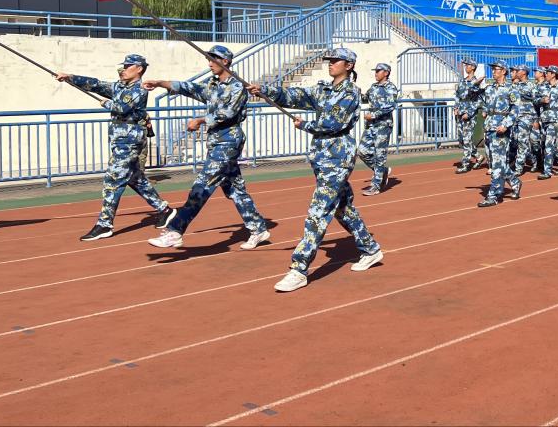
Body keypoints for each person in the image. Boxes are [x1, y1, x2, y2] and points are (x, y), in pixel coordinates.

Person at [250, 48, 383, 293]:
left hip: (338, 159)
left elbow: (334, 123)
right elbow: (295, 96)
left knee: (318, 212)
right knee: (343, 209)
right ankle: (370, 249)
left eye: (335, 61)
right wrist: (266, 91)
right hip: (322, 158)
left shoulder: (351, 93)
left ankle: (299, 268)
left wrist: (305, 125)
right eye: (329, 60)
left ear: (349, 65)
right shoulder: (323, 89)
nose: (330, 64)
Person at [145, 45, 270, 250]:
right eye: (209, 59)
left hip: (228, 141)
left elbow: (227, 113)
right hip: (216, 141)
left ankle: (175, 230)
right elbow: (189, 88)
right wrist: (160, 83)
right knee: (235, 189)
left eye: (213, 59)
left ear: (225, 61)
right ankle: (258, 228)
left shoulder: (237, 87)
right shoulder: (212, 84)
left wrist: (201, 120)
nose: (210, 63)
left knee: (202, 185)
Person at [57, 54, 175, 241]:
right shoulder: (120, 87)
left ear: (139, 69)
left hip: (129, 140)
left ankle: (104, 224)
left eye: (128, 66)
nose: (123, 69)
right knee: (135, 179)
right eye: (123, 66)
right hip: (119, 140)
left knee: (112, 180)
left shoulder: (140, 89)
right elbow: (96, 84)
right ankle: (164, 209)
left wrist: (107, 103)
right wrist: (70, 78)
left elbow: (121, 108)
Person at [474, 60, 521, 207]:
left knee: (497, 164)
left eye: (496, 69)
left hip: (501, 129)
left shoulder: (511, 89)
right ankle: (514, 181)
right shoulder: (490, 88)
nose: (493, 71)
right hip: (489, 128)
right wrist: (485, 110)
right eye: (493, 69)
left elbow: (515, 109)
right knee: (496, 162)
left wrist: (506, 125)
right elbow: (479, 99)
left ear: (504, 71)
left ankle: (494, 195)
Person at [358, 62, 400, 195]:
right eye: (375, 71)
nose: (375, 73)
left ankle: (376, 186)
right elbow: (365, 98)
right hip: (371, 126)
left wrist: (374, 115)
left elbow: (390, 106)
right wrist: (355, 92)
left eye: (378, 71)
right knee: (362, 151)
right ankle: (383, 171)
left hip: (383, 125)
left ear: (386, 73)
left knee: (379, 155)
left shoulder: (391, 88)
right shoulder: (373, 87)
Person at [453, 58, 484, 173]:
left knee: (466, 139)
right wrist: (456, 108)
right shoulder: (463, 81)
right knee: (462, 139)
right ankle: (478, 156)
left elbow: (478, 101)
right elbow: (457, 95)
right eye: (465, 65)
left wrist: (469, 113)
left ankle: (465, 164)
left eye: (468, 65)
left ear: (473, 67)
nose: (466, 67)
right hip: (460, 112)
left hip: (469, 115)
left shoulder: (476, 82)